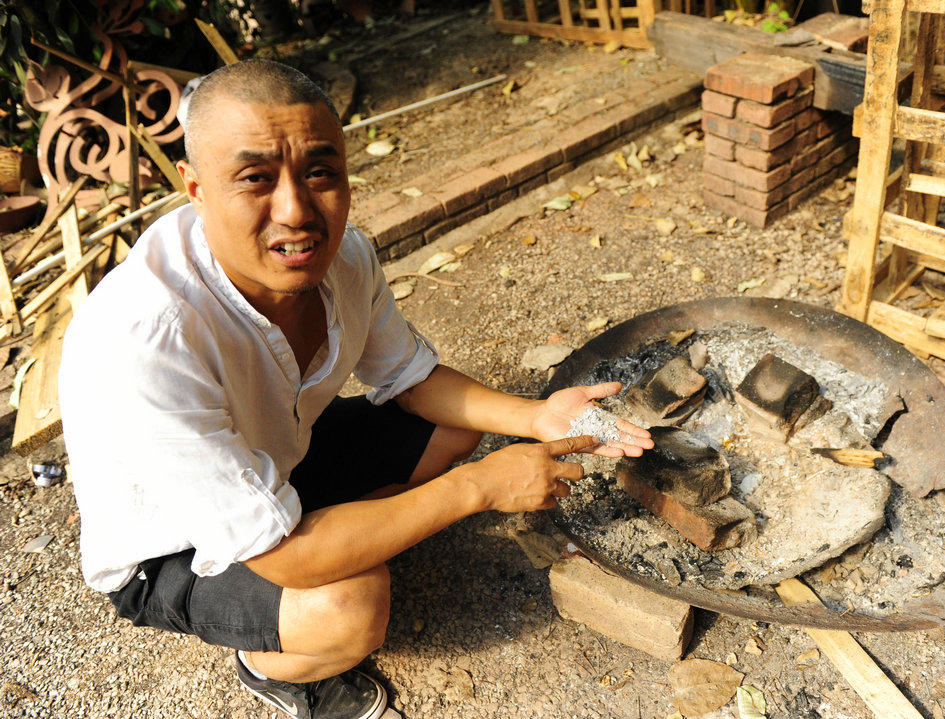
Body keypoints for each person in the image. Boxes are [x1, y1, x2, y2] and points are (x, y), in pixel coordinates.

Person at [58, 59, 652, 719]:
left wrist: (538, 416)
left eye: (320, 172)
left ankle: (345, 530)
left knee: (458, 426)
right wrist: (475, 489)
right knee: (351, 602)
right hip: (170, 544)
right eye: (255, 178)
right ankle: (272, 665)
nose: (297, 211)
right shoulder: (148, 339)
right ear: (195, 190)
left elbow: (413, 378)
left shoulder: (345, 259)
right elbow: (283, 557)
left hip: (276, 455)